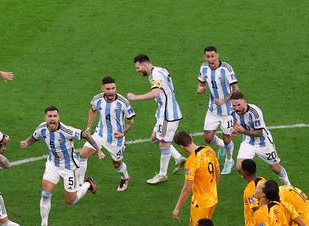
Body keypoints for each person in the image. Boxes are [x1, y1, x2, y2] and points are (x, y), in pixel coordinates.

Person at [20, 106, 104, 226]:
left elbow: (85, 135)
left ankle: (88, 183)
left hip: (69, 168)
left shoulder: (67, 131)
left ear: (58, 117)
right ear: (45, 118)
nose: (52, 118)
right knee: (46, 193)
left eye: (55, 116)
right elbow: (35, 137)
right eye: (50, 116)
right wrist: (26, 143)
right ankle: (44, 225)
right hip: (52, 164)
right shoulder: (42, 128)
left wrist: (98, 150)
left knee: (71, 201)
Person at [127, 54, 185, 184]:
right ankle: (178, 157)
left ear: (145, 64)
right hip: (163, 113)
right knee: (154, 138)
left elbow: (155, 93)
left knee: (164, 142)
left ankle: (162, 174)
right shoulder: (160, 70)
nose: (137, 71)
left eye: (138, 68)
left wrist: (136, 97)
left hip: (168, 115)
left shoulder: (156, 75)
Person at [78, 76, 134, 192]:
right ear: (103, 89)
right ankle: (79, 184)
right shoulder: (97, 99)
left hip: (115, 139)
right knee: (83, 154)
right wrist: (89, 127)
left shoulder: (123, 102)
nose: (111, 91)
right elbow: (93, 110)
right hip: (99, 134)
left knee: (116, 164)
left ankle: (126, 178)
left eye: (113, 88)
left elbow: (130, 121)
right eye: (108, 89)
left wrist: (123, 133)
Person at [229, 92, 291, 185]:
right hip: (248, 142)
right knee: (240, 167)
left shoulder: (255, 112)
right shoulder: (232, 111)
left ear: (244, 102)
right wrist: (234, 129)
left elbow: (259, 133)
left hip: (263, 142)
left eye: (239, 105)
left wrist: (243, 131)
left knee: (275, 168)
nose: (237, 108)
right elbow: (235, 121)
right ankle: (254, 186)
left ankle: (288, 185)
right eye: (234, 105)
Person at [196, 46, 239, 174]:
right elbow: (201, 83)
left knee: (227, 138)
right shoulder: (203, 68)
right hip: (213, 109)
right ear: (205, 57)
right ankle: (221, 145)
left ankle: (229, 160)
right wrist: (200, 88)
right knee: (208, 138)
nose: (210, 59)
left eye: (212, 56)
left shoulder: (226, 68)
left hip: (228, 111)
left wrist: (224, 100)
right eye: (208, 57)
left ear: (217, 55)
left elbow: (236, 89)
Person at [172, 131, 220, 226]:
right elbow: (217, 171)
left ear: (181, 146)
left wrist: (177, 208)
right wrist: (214, 188)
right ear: (191, 137)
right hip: (213, 198)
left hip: (201, 203)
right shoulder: (209, 150)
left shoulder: (191, 161)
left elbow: (186, 189)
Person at [240, 159, 265, 226]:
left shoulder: (249, 190)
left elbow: (256, 210)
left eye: (241, 169)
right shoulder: (262, 180)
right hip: (267, 225)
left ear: (245, 172)